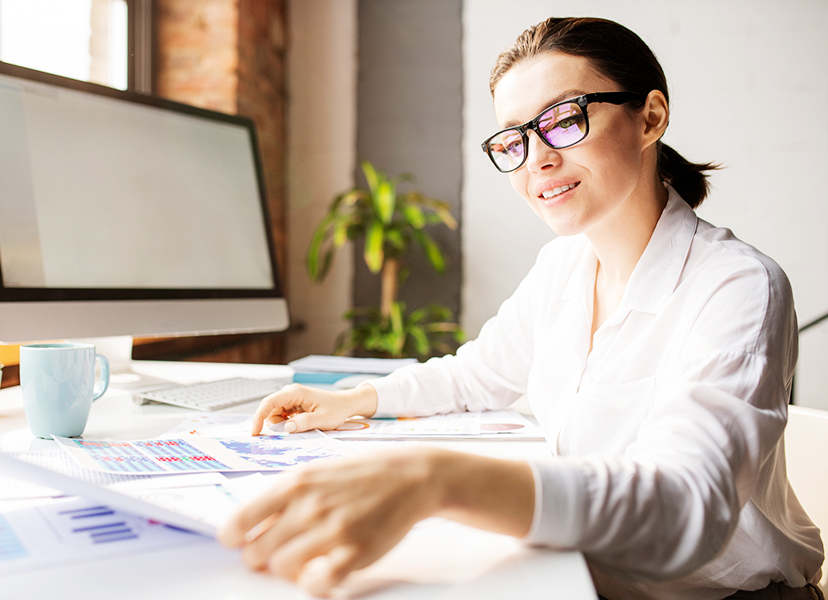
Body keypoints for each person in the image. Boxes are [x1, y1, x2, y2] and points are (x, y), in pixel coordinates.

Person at [217, 16, 825, 600]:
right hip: (581, 579)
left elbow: (685, 508)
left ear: (650, 117)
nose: (537, 158)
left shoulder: (738, 286)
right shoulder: (562, 268)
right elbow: (476, 374)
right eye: (515, 138)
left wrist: (437, 481)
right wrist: (354, 400)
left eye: (563, 120)